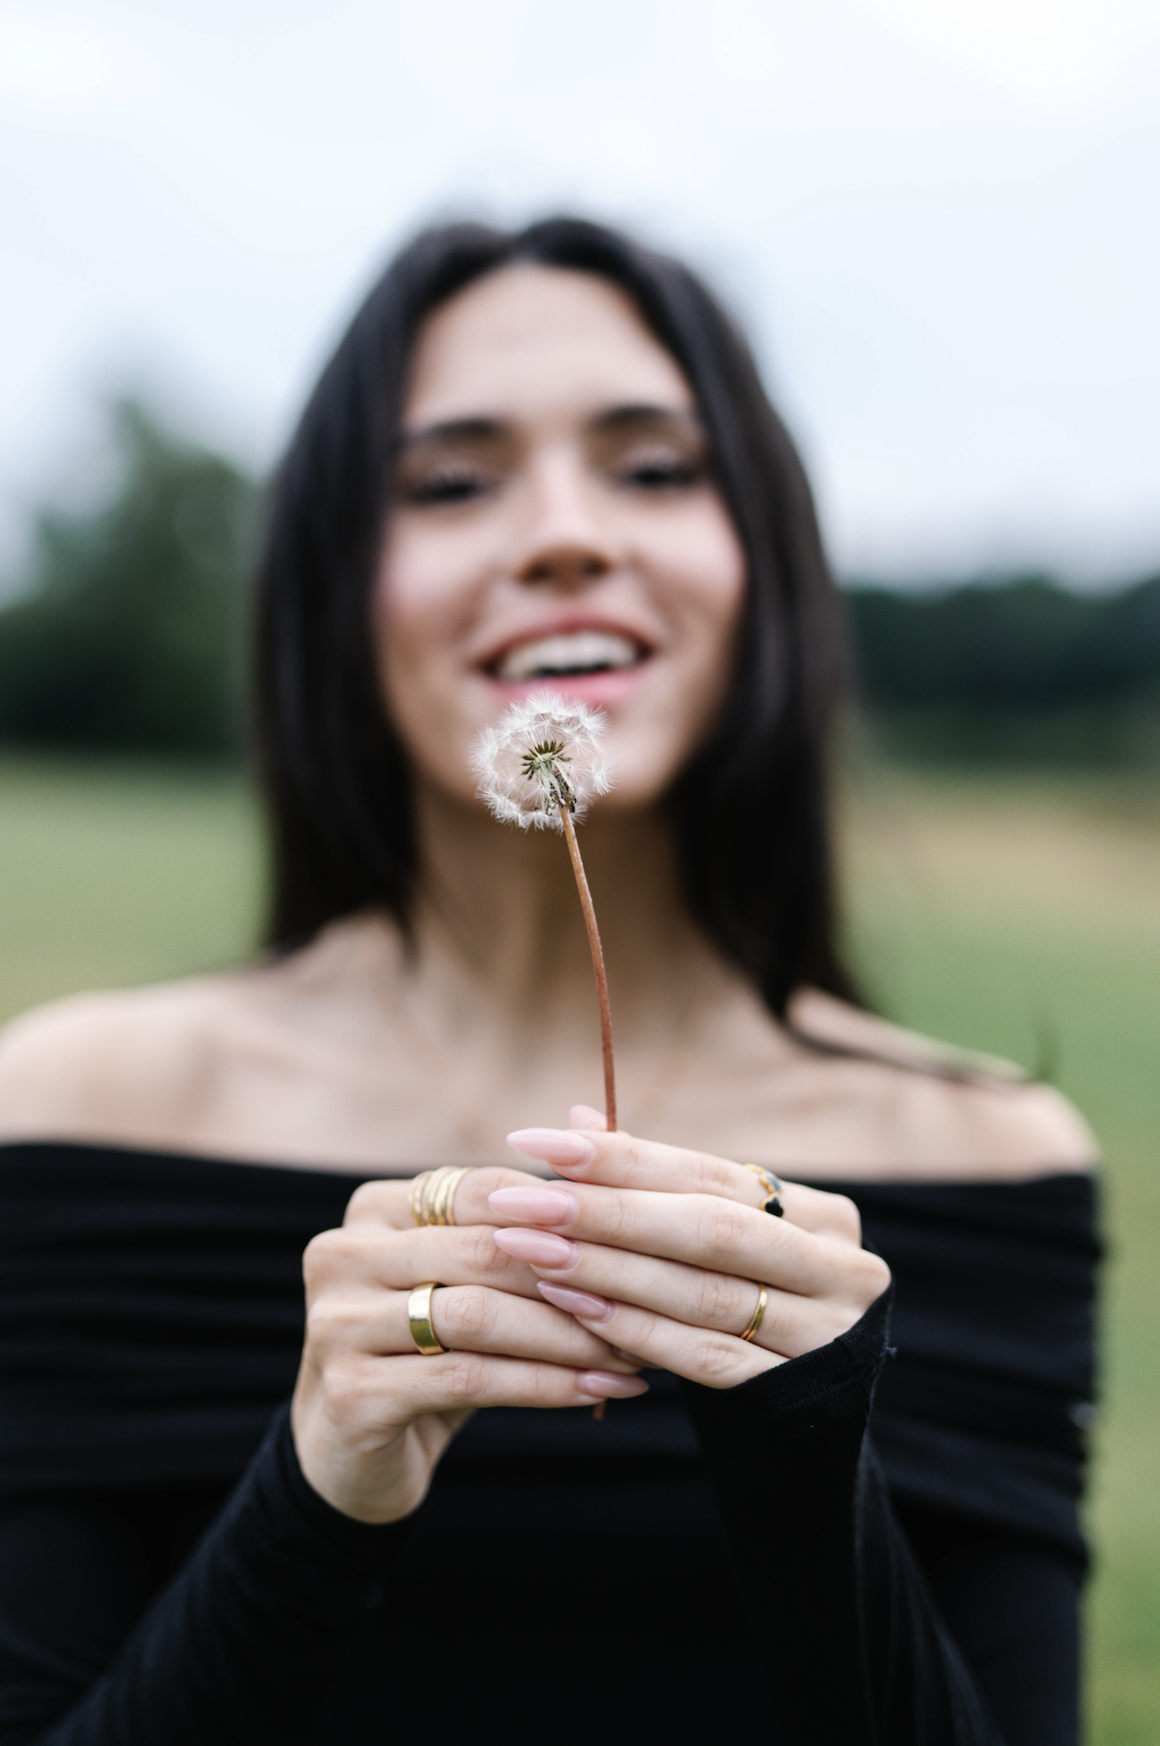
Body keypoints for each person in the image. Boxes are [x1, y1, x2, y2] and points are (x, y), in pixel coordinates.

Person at [0, 218, 1098, 1746]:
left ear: (762, 561)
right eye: (453, 481)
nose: (568, 533)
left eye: (655, 467)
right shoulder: (71, 1115)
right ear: (336, 583)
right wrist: (315, 1485)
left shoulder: (989, 1158)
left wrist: (805, 1467)